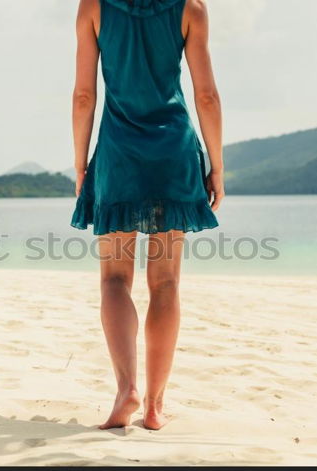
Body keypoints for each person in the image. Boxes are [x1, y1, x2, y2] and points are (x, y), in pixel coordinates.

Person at [70, 0, 224, 430]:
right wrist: (217, 166)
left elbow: (84, 96)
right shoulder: (190, 8)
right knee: (167, 282)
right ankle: (155, 406)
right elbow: (206, 95)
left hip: (119, 154)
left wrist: (81, 165)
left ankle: (127, 391)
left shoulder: (93, 7)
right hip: (173, 152)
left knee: (114, 279)